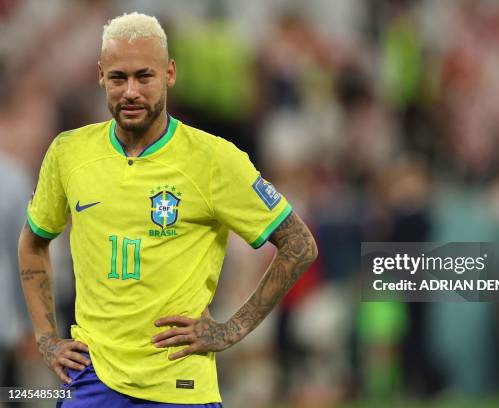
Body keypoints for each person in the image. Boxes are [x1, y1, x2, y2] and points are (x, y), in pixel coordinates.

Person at [17, 12, 317, 407]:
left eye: (145, 76)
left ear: (170, 74)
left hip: (180, 385)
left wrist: (231, 329)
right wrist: (47, 338)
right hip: (92, 380)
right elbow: (33, 244)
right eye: (119, 78)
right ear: (100, 76)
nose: (131, 92)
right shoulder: (68, 153)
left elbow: (299, 244)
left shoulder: (214, 159)